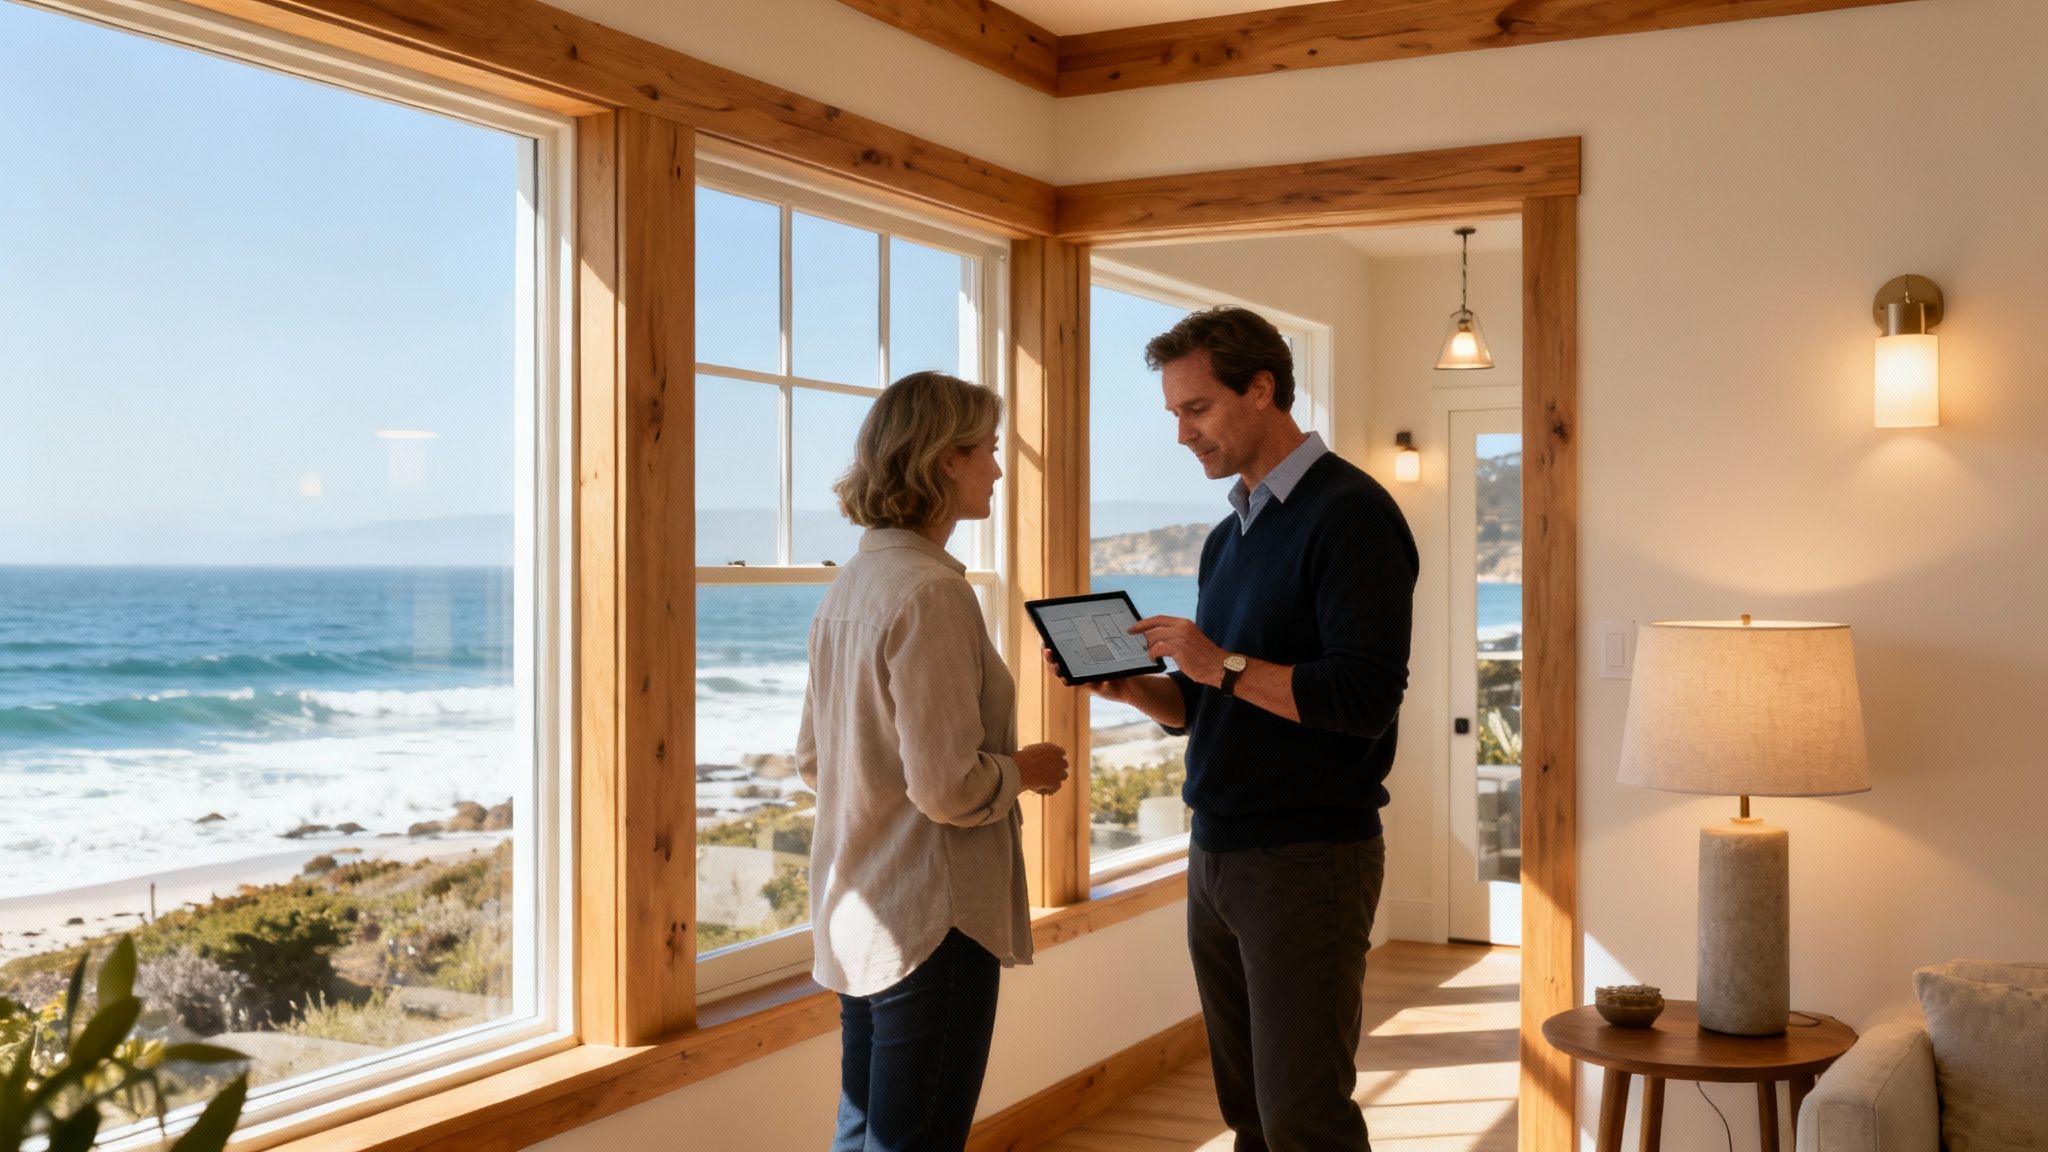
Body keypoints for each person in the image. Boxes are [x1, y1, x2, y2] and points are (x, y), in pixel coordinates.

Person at [1053, 307, 1416, 1152]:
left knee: (1304, 1116)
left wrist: (1221, 666)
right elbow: (1213, 705)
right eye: (1174, 413)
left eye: (1197, 409)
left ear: (1262, 390)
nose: (1182, 433)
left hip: (1308, 857)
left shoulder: (1353, 512)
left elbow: (1364, 697)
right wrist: (1144, 691)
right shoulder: (1228, 536)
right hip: (1216, 852)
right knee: (1248, 1109)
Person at [799, 370, 1071, 1152]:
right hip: (932, 917)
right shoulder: (932, 594)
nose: (995, 468)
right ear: (945, 460)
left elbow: (815, 761)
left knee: (866, 1135)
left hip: (856, 903)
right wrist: (1025, 769)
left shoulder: (850, 584)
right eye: (987, 450)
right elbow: (949, 789)